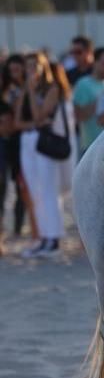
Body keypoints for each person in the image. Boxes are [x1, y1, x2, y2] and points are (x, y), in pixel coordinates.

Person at [12, 52, 64, 257]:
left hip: (44, 142)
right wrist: (27, 91)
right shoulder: (25, 89)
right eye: (28, 66)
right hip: (27, 140)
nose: (31, 70)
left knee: (49, 189)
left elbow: (39, 114)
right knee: (35, 191)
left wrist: (32, 92)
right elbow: (17, 121)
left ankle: (54, 237)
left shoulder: (52, 89)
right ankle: (43, 236)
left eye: (35, 66)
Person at [0, 54, 33, 240]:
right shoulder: (7, 89)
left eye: (18, 69)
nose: (15, 73)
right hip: (5, 141)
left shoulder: (29, 89)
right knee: (2, 184)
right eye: (11, 70)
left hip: (22, 141)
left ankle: (19, 225)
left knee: (22, 185)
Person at [73, 47, 104, 154]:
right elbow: (78, 116)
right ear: (94, 62)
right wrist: (101, 100)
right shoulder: (83, 84)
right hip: (90, 147)